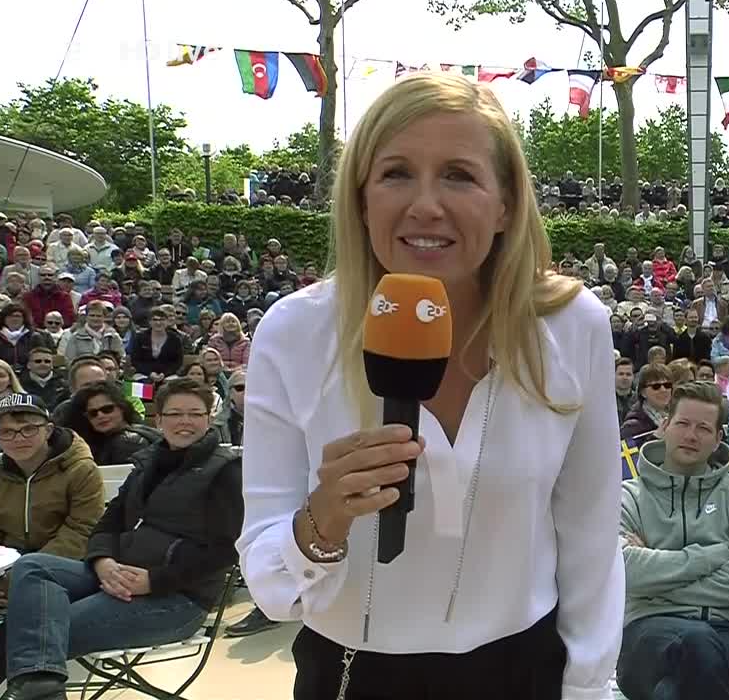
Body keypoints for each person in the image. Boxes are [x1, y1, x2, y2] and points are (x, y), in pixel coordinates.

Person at [236, 73, 623, 698]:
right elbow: (269, 583)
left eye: (458, 176)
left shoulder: (572, 326)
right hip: (351, 675)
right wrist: (324, 518)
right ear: (361, 200)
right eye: (395, 174)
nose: (425, 206)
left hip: (524, 672)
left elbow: (591, 536)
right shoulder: (294, 332)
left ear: (505, 204)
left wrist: (587, 687)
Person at [0, 379, 242, 700]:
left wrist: (154, 581)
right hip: (118, 573)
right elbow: (109, 520)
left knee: (37, 631)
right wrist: (102, 561)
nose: (185, 421)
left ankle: (36, 688)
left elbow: (226, 551)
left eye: (195, 414)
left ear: (209, 418)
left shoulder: (225, 471)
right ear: (159, 419)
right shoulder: (147, 463)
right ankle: (42, 689)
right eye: (175, 413)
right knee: (32, 567)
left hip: (177, 599)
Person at [616, 381, 729, 700]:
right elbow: (621, 571)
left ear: (718, 439)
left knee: (674, 688)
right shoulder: (629, 496)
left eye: (703, 428)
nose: (691, 435)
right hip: (647, 630)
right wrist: (711, 556)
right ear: (665, 426)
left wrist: (655, 581)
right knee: (697, 645)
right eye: (683, 424)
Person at [0, 394, 103, 700]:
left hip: (67, 569)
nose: (18, 438)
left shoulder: (80, 470)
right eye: (7, 432)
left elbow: (82, 531)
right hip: (5, 570)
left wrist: (20, 578)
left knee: (24, 619)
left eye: (28, 429)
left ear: (48, 430)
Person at [61, 381, 161, 466]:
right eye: (93, 413)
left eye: (107, 409)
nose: (100, 415)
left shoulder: (128, 442)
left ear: (122, 408)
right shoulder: (105, 440)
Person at [17, 346, 69, 412]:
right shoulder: (18, 385)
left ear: (52, 365)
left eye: (47, 361)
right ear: (28, 365)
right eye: (38, 361)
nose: (43, 364)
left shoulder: (64, 385)